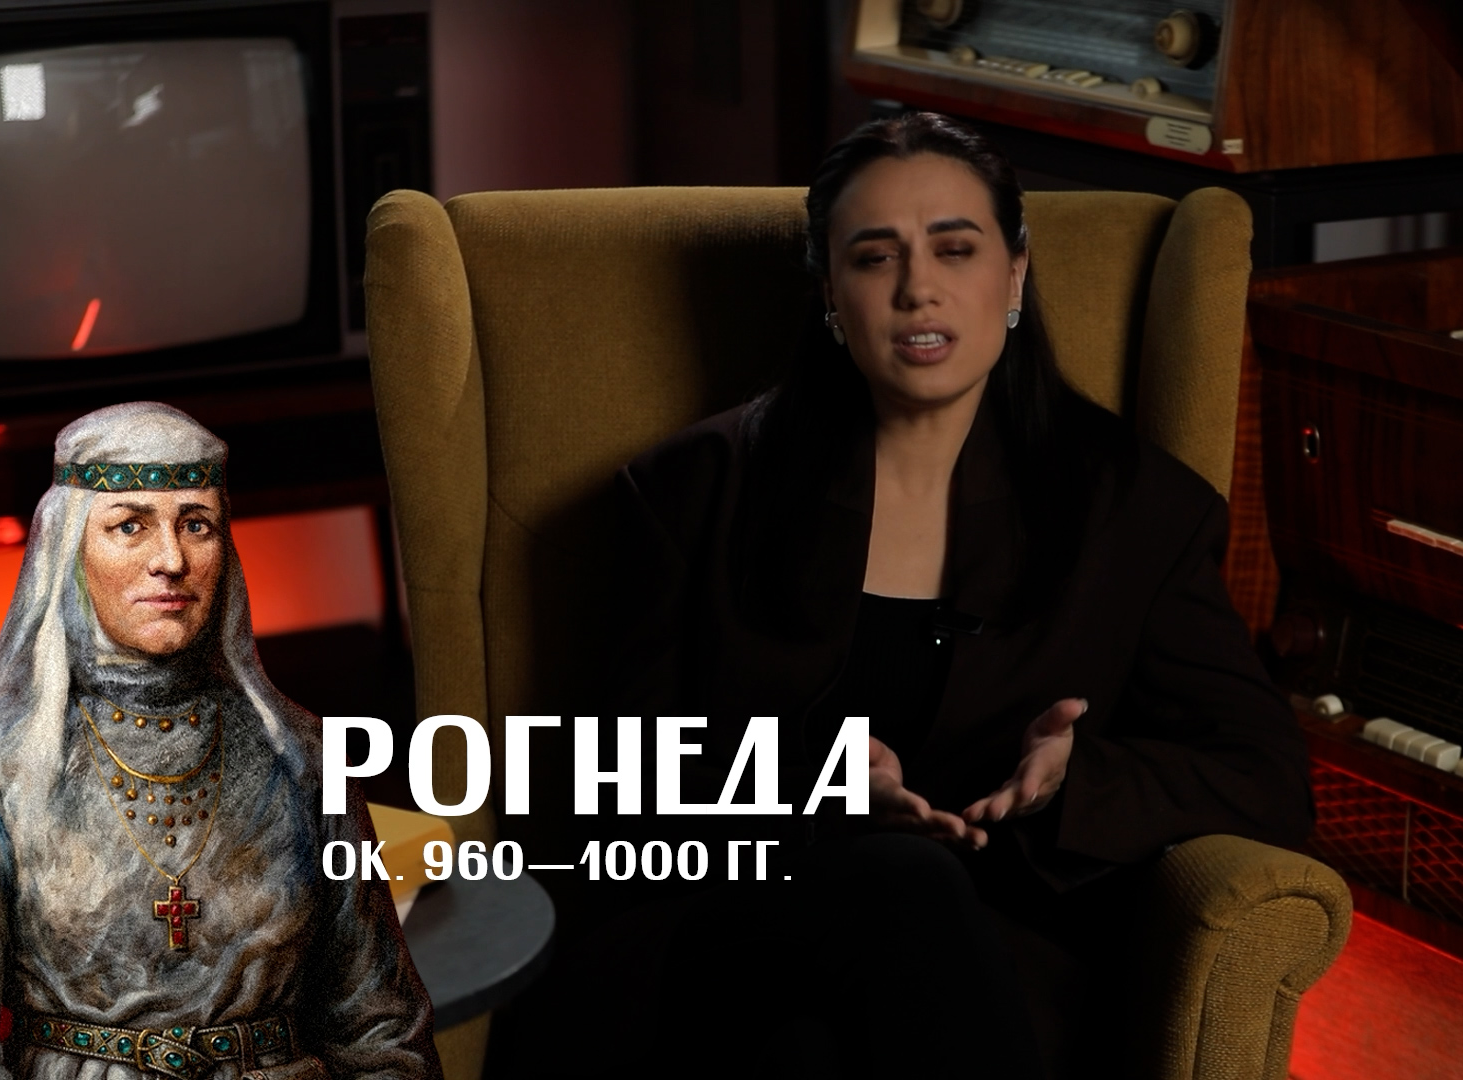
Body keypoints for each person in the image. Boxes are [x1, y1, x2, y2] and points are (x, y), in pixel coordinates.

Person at [541, 112, 1312, 1078]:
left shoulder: (1136, 511)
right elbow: (603, 785)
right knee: (886, 896)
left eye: (956, 248)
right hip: (717, 935)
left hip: (979, 961)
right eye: (875, 258)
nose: (918, 289)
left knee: (811, 1055)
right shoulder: (692, 490)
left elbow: (1265, 777)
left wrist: (1077, 779)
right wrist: (814, 786)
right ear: (829, 291)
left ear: (1015, 273)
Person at [0, 402, 441, 1080]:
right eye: (130, 525)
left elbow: (381, 1027)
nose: (172, 560)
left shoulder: (303, 757)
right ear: (69, 549)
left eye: (196, 524)